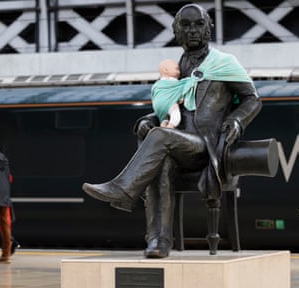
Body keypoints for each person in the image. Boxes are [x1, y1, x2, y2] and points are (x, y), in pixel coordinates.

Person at [82, 3, 262, 258]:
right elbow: (173, 105)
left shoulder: (223, 62)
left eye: (198, 24)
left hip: (205, 143)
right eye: (185, 25)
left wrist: (237, 121)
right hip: (176, 139)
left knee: (159, 137)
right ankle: (158, 242)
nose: (192, 31)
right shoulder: (178, 66)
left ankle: (122, 190)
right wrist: (149, 118)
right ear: (176, 30)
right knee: (160, 160)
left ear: (209, 28)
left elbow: (252, 99)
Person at [152, 59, 182, 128]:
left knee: (164, 118)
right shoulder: (174, 81)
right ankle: (170, 127)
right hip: (170, 103)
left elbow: (154, 94)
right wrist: (181, 98)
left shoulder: (157, 84)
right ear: (166, 70)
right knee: (176, 116)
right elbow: (179, 91)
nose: (179, 72)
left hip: (157, 105)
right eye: (177, 69)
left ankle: (163, 122)